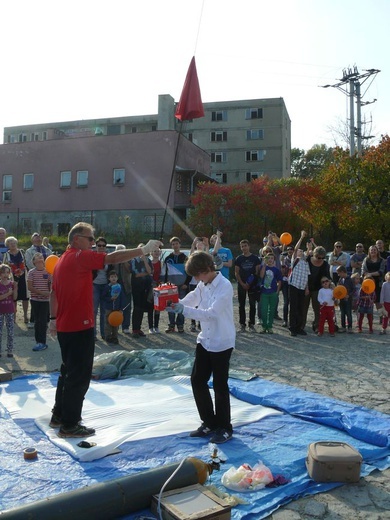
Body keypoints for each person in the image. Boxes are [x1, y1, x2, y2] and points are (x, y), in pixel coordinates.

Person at [49, 222, 162, 438]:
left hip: (66, 325)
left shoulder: (63, 259)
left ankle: (59, 415)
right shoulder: (79, 257)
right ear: (76, 240)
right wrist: (143, 250)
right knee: (79, 376)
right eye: (90, 239)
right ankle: (70, 424)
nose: (94, 243)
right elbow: (111, 258)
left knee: (68, 371)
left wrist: (53, 319)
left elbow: (53, 293)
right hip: (78, 325)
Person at [167, 251, 235, 444]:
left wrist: (184, 311)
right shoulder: (202, 283)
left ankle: (224, 427)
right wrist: (176, 304)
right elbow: (193, 297)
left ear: (207, 269)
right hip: (205, 340)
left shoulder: (225, 286)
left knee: (220, 385)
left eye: (197, 275)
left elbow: (211, 313)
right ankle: (209, 422)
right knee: (197, 380)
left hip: (222, 341)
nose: (196, 279)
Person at [25, 232, 52, 329]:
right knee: (35, 299)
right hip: (35, 276)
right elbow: (28, 263)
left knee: (46, 299)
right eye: (36, 238)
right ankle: (33, 320)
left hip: (46, 276)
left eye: (39, 238)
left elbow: (51, 262)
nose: (38, 239)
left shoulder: (48, 250)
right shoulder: (29, 251)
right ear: (32, 240)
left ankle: (46, 320)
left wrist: (45, 271)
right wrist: (39, 269)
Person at [302, 246, 330, 333]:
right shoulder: (307, 261)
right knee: (303, 307)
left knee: (317, 308)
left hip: (318, 288)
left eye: (322, 257)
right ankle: (302, 324)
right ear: (314, 255)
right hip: (306, 286)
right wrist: (306, 287)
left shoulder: (325, 264)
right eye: (318, 257)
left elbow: (327, 277)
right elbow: (303, 275)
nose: (320, 259)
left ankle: (317, 325)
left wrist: (330, 284)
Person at [234, 239, 261, 332]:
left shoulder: (255, 258)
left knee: (252, 304)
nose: (244, 248)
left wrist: (250, 283)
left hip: (252, 285)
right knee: (241, 305)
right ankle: (242, 324)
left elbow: (257, 272)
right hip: (241, 284)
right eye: (242, 246)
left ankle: (251, 324)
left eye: (245, 246)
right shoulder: (239, 259)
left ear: (249, 246)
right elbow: (236, 273)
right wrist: (242, 283)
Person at [27, 253, 51, 351]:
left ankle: (43, 342)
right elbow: (30, 287)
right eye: (38, 257)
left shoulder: (48, 272)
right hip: (35, 300)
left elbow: (52, 285)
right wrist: (41, 293)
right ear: (34, 262)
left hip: (45, 301)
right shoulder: (31, 272)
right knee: (38, 321)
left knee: (44, 321)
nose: (40, 258)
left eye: (41, 257)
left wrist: (49, 292)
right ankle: (39, 341)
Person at [164, 237, 188, 333]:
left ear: (180, 244)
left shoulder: (185, 258)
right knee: (170, 305)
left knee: (181, 305)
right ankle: (171, 325)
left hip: (182, 286)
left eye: (176, 243)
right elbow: (164, 272)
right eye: (173, 244)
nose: (175, 245)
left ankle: (180, 325)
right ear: (171, 246)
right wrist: (166, 283)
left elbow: (189, 272)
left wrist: (186, 283)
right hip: (171, 286)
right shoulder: (168, 258)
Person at [3, 236, 29, 323]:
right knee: (14, 298)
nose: (13, 244)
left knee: (25, 297)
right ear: (8, 245)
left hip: (23, 277)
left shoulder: (22, 252)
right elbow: (4, 267)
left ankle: (25, 316)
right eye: (10, 243)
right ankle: (14, 316)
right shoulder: (6, 255)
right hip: (12, 278)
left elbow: (27, 263)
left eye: (14, 243)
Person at [129, 244, 153, 338]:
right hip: (137, 288)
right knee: (137, 308)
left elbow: (150, 271)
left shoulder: (148, 260)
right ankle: (134, 329)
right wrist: (146, 273)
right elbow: (136, 274)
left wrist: (145, 262)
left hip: (146, 287)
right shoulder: (134, 260)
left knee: (142, 308)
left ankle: (138, 328)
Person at [288, 246, 310, 337]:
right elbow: (296, 248)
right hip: (294, 286)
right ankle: (292, 328)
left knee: (301, 308)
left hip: (302, 287)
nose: (300, 252)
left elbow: (307, 276)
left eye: (302, 251)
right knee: (293, 307)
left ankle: (299, 327)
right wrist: (301, 238)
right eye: (299, 251)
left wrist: (307, 288)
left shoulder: (306, 263)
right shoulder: (295, 260)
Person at [258, 252, 282, 334]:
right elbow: (261, 276)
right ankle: (264, 326)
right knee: (264, 310)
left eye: (272, 258)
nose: (270, 260)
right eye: (268, 258)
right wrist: (264, 264)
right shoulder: (263, 267)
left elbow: (279, 281)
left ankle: (270, 326)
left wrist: (277, 291)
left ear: (274, 260)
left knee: (271, 310)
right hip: (264, 292)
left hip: (273, 292)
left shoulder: (276, 270)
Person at [112, 244, 132, 334]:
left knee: (127, 307)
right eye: (118, 250)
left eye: (122, 251)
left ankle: (126, 326)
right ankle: (115, 326)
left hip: (126, 286)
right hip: (115, 287)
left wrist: (124, 260)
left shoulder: (128, 260)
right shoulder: (113, 261)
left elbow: (130, 270)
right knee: (115, 307)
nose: (120, 252)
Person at [93, 237, 109, 339]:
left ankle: (104, 334)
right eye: (99, 245)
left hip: (105, 285)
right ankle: (93, 334)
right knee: (93, 311)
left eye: (103, 246)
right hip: (95, 285)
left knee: (104, 311)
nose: (101, 247)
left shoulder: (108, 257)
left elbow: (112, 271)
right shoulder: (93, 256)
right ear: (96, 246)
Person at [102, 270, 125, 344]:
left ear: (117, 278)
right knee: (108, 323)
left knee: (116, 324)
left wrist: (121, 309)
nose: (113, 278)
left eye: (115, 277)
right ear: (109, 278)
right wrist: (110, 299)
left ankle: (115, 337)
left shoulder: (119, 287)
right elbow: (103, 297)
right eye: (112, 277)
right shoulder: (107, 287)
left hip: (117, 309)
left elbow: (122, 298)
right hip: (108, 308)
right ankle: (108, 337)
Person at [361, 245, 385, 314]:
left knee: (378, 301)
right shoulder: (366, 260)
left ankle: (381, 316)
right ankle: (369, 317)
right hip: (367, 283)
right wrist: (368, 275)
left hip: (378, 283)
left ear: (377, 251)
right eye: (372, 250)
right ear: (369, 251)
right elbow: (363, 271)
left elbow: (381, 272)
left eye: (375, 250)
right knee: (367, 300)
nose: (373, 251)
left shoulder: (381, 260)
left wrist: (370, 274)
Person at [0, 264, 18, 357]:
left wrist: (15, 289)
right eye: (3, 272)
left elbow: (14, 298)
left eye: (7, 272)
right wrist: (8, 293)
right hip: (0, 310)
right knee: (0, 331)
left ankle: (10, 350)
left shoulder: (11, 284)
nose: (5, 274)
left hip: (10, 310)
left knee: (10, 331)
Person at [336, 265, 354, 333]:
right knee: (342, 313)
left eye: (339, 273)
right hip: (341, 300)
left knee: (348, 313)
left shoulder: (350, 279)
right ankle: (343, 327)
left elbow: (353, 289)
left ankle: (350, 327)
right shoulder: (340, 279)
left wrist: (349, 295)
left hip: (348, 300)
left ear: (343, 272)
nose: (338, 275)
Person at [150, 247, 162, 333]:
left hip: (159, 286)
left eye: (158, 251)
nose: (156, 253)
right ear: (151, 253)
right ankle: (150, 327)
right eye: (155, 251)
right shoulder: (149, 263)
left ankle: (156, 326)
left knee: (158, 307)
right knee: (150, 306)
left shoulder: (161, 263)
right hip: (150, 286)